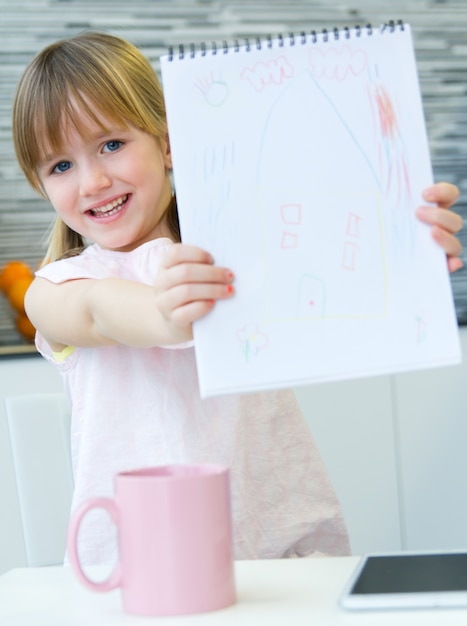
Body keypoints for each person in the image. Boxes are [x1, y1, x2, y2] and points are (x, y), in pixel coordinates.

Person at [12, 32, 463, 566]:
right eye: (60, 166)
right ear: (42, 186)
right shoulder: (57, 288)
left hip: (279, 548)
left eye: (111, 144)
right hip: (143, 569)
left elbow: (334, 266)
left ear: (167, 143)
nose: (93, 181)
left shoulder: (243, 254)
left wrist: (408, 245)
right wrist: (163, 312)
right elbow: (99, 312)